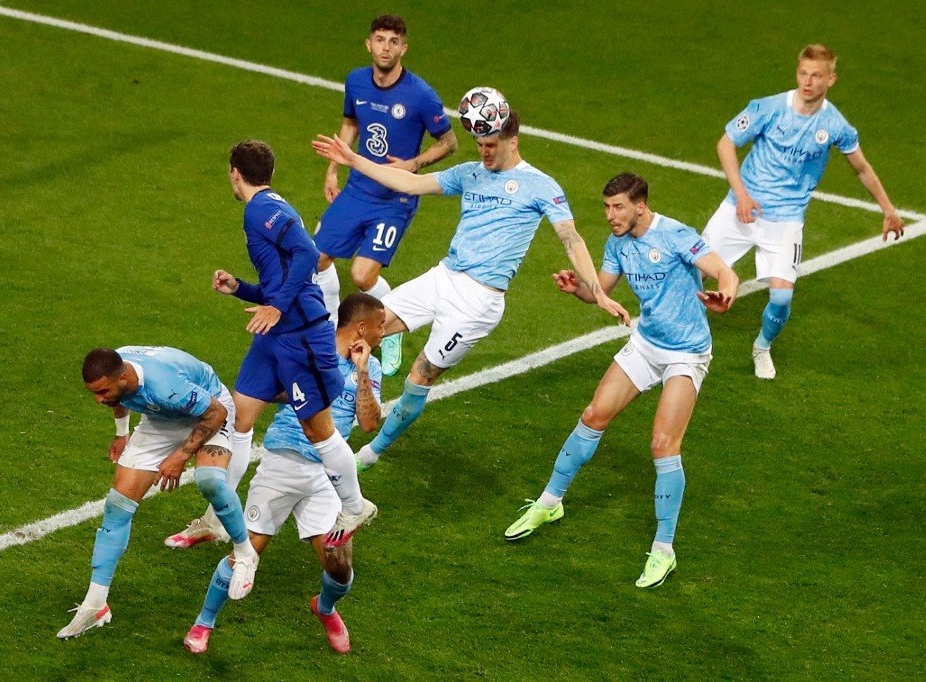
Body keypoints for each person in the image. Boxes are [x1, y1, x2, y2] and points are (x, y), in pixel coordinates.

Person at [312, 110, 631, 471]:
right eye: (479, 144)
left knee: (420, 375)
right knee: (356, 331)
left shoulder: (541, 186)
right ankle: (318, 419)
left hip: (477, 302)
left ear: (513, 141)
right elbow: (410, 184)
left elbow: (571, 238)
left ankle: (371, 453)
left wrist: (597, 292)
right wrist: (354, 159)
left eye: (491, 145)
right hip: (443, 277)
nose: (484, 152)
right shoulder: (470, 173)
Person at [504, 173, 738, 589]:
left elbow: (724, 271)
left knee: (663, 444)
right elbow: (599, 290)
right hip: (647, 344)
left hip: (686, 352)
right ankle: (550, 501)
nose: (610, 216)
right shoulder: (618, 243)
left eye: (618, 207)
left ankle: (664, 550)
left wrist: (726, 295)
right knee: (593, 415)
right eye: (606, 207)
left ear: (640, 207)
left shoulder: (676, 235)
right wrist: (578, 288)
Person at [183, 293, 385, 655]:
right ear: (361, 327)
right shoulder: (310, 349)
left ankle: (325, 608)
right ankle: (203, 622)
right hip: (282, 464)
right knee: (246, 554)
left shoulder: (371, 368)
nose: (383, 333)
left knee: (339, 566)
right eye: (380, 325)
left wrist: (363, 372)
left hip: (327, 477)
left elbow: (369, 423)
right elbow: (268, 388)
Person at [703, 43, 904, 379]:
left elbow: (861, 168)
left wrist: (888, 209)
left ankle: (762, 347)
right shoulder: (768, 108)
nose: (808, 81)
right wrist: (741, 195)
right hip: (740, 209)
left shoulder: (834, 124)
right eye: (803, 73)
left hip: (785, 218)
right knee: (694, 271)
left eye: (816, 76)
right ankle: (678, 336)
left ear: (831, 80)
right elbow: (725, 144)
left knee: (781, 298)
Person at [214, 140, 376, 553]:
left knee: (317, 430)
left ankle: (355, 505)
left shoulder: (260, 209)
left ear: (235, 172)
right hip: (281, 331)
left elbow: (307, 253)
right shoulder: (269, 206)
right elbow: (282, 274)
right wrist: (240, 288)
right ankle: (218, 517)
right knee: (240, 415)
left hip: (301, 332)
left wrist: (276, 307)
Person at [57, 346, 259, 639]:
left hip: (209, 410)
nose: (98, 399)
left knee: (209, 481)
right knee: (117, 505)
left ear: (123, 377)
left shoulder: (165, 385)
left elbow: (216, 413)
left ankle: (244, 553)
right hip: (162, 418)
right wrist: (122, 432)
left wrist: (181, 456)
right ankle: (95, 604)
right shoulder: (117, 372)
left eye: (101, 392)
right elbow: (117, 397)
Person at [313, 13, 458, 377]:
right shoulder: (356, 81)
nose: (386, 48)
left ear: (403, 48)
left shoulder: (421, 95)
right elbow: (350, 124)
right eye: (380, 40)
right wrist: (333, 169)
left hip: (396, 197)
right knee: (317, 259)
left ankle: (388, 326)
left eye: (394, 42)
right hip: (357, 188)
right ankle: (330, 330)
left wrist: (415, 163)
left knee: (362, 276)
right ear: (369, 44)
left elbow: (449, 142)